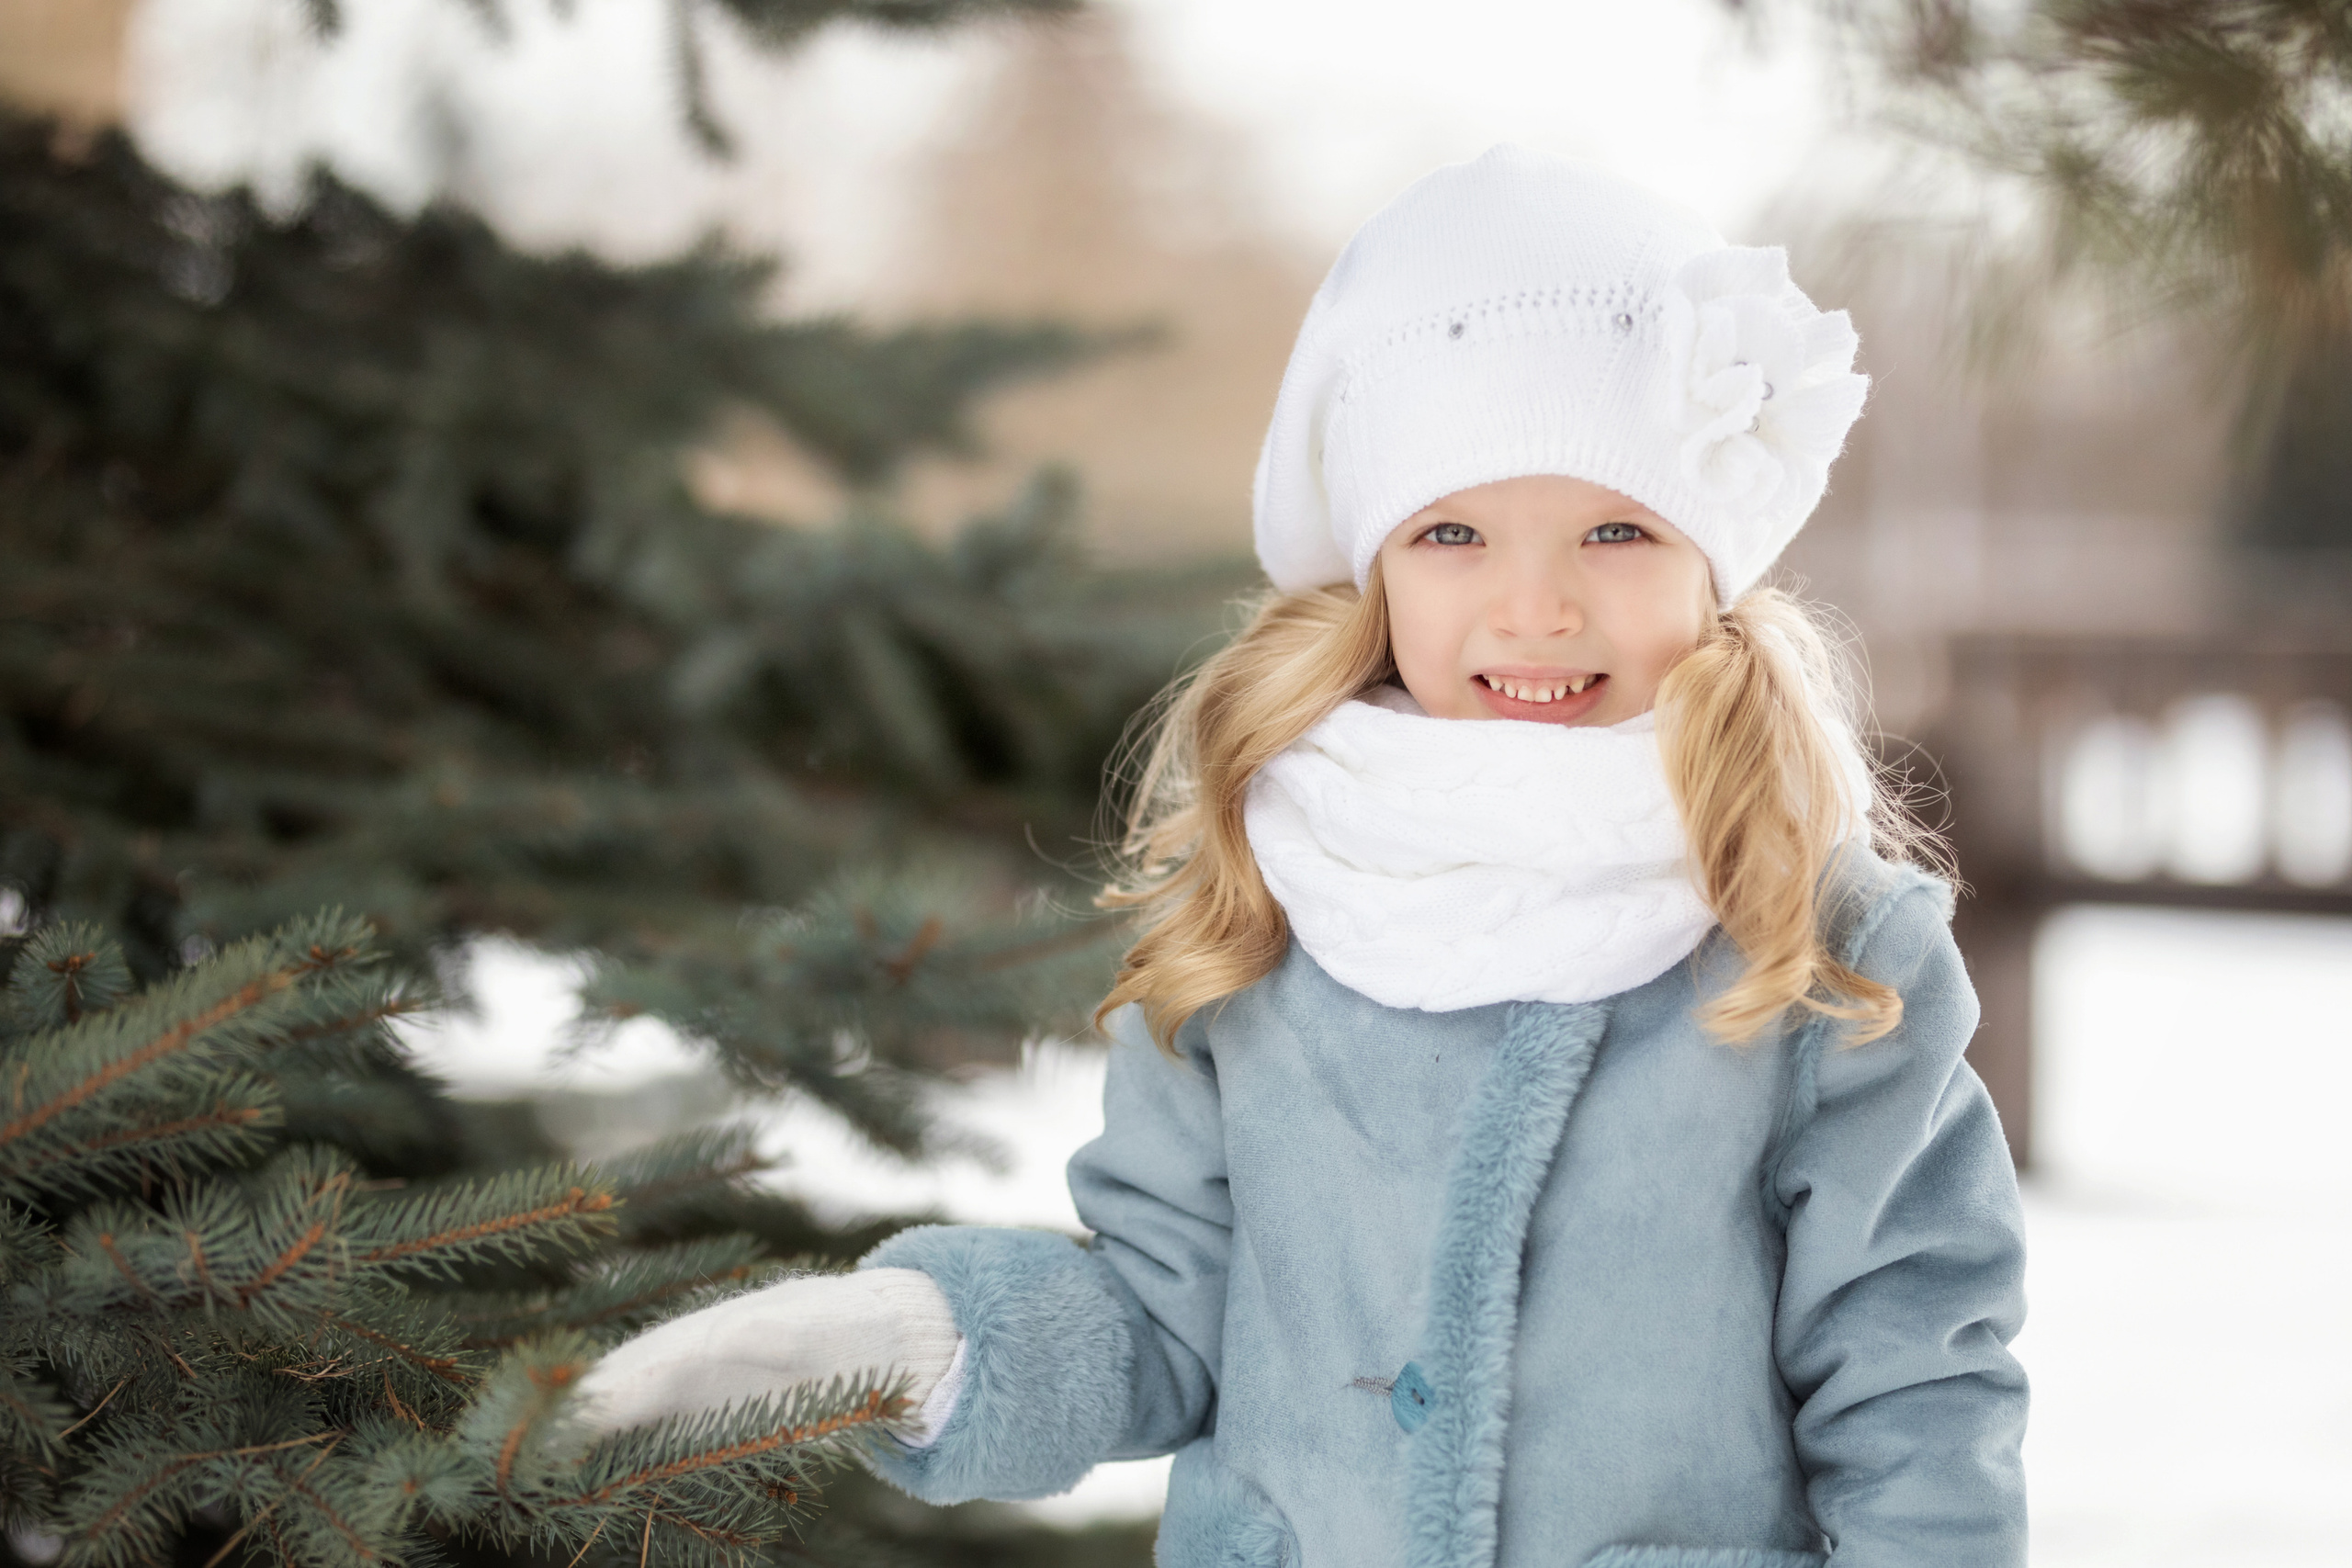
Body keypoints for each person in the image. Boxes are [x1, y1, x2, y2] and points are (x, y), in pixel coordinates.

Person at [577, 145, 2029, 1568]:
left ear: (1713, 562)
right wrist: (922, 1345)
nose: (1535, 607)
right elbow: (1165, 1319)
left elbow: (1914, 1380)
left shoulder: (1819, 937)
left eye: (1613, 528)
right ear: (1374, 568)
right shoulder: (1263, 893)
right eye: (1454, 532)